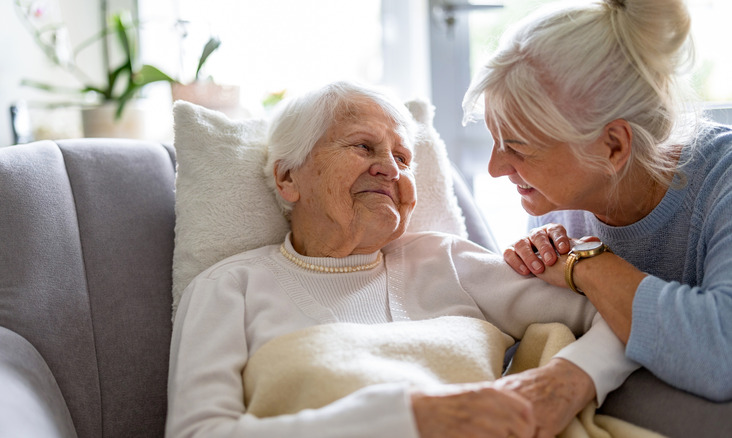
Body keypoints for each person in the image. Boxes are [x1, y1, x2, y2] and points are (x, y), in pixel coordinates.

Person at [166, 81, 636, 438]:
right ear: (289, 178)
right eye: (362, 147)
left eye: (403, 157)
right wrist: (409, 418)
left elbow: (623, 318)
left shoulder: (445, 259)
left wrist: (569, 381)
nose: (391, 169)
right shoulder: (228, 288)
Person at [462, 0, 732, 401]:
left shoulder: (721, 182)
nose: (495, 168)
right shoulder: (555, 200)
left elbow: (720, 354)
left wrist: (585, 264)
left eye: (517, 148)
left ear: (612, 146)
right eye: (495, 141)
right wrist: (539, 273)